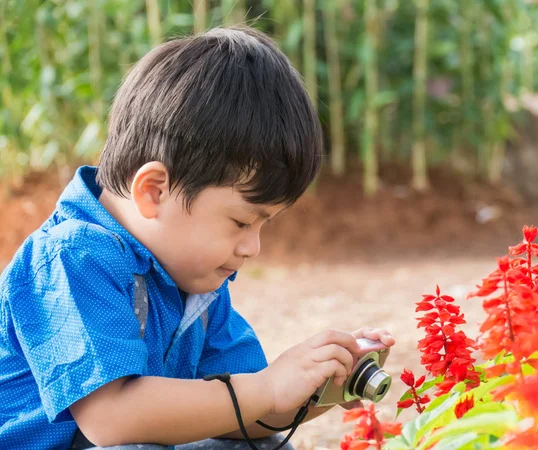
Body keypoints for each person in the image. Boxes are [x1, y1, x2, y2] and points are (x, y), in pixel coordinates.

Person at [0, 27, 395, 450]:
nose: (252, 247)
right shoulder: (72, 256)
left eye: (264, 225)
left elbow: (247, 411)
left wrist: (315, 385)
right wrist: (267, 388)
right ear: (154, 190)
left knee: (258, 444)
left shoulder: (197, 280)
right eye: (242, 222)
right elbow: (111, 418)